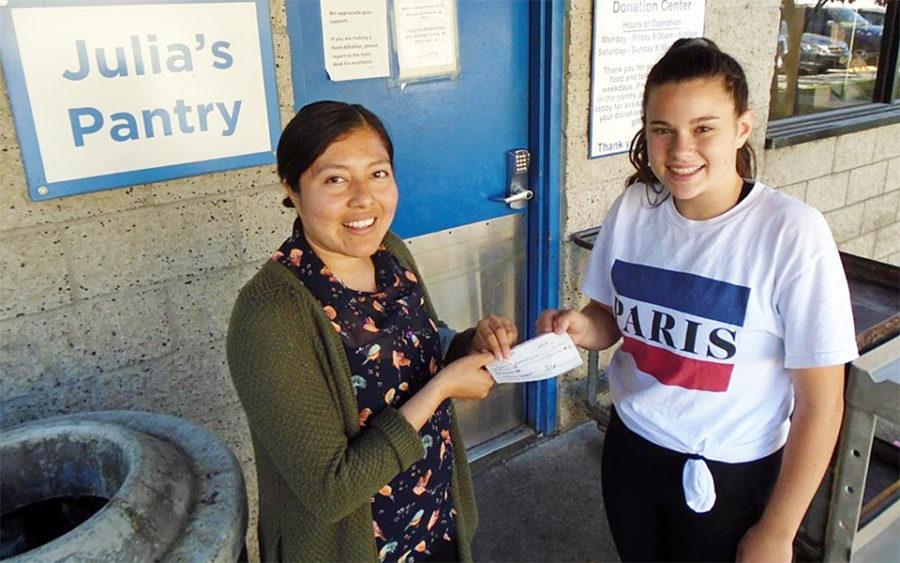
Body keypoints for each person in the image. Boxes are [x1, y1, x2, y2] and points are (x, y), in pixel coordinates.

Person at [538, 38, 858, 562]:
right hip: (632, 448)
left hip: (732, 473)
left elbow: (822, 405)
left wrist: (777, 532)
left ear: (743, 128)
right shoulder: (636, 208)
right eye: (663, 130)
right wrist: (578, 326)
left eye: (703, 128)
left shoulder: (791, 233)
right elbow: (609, 322)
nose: (680, 150)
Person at [227, 101, 517, 563]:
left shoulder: (392, 254)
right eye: (335, 179)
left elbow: (422, 350)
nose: (364, 198)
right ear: (292, 189)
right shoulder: (269, 313)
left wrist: (468, 345)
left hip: (435, 524)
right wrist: (443, 387)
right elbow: (331, 490)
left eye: (378, 173)